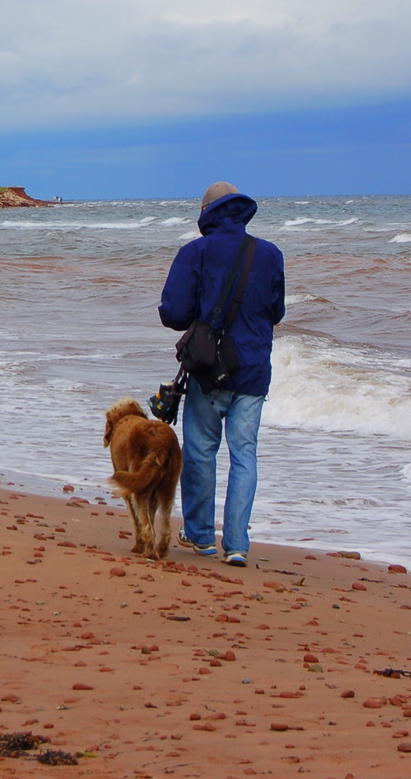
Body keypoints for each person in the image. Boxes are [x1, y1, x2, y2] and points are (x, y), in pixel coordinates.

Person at [158, 182, 286, 567]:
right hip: (253, 369)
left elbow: (173, 313)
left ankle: (200, 536)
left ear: (206, 213)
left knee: (200, 452)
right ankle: (237, 545)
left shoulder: (194, 251)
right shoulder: (270, 253)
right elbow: (276, 312)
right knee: (244, 453)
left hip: (210, 369)